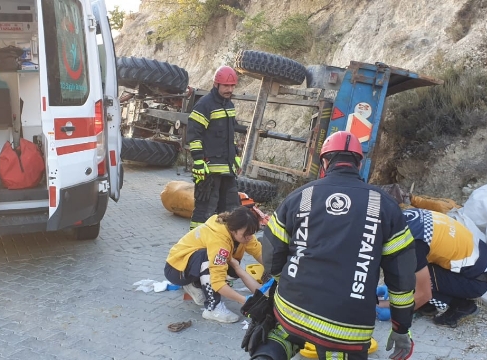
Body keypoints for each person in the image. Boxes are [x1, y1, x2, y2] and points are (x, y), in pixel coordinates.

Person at [251, 131, 417, 360]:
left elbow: (270, 252)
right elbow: (402, 279)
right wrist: (401, 327)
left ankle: (268, 354)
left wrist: (287, 282)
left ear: (325, 163)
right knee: (337, 348)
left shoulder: (300, 196)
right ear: (359, 164)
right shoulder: (386, 206)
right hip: (348, 324)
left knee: (281, 332)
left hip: (293, 306)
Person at [164, 206, 263, 323]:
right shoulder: (219, 241)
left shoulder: (243, 232)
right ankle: (212, 308)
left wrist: (278, 272)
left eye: (252, 234)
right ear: (233, 230)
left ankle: (195, 285)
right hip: (176, 270)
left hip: (189, 266)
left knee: (232, 267)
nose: (249, 238)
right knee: (209, 259)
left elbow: (259, 252)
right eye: (245, 235)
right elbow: (217, 282)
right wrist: (244, 300)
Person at [402, 208, 487, 328]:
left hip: (476, 281)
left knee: (410, 273)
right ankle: (428, 306)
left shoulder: (414, 242)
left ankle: (462, 305)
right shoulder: (408, 216)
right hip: (481, 266)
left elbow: (423, 293)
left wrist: (393, 310)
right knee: (414, 267)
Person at [187, 65, 242, 230]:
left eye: (232, 86)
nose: (229, 89)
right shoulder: (204, 105)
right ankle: (196, 244)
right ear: (216, 85)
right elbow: (194, 134)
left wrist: (235, 156)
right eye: (226, 86)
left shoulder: (229, 106)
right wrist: (198, 161)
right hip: (208, 169)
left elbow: (229, 136)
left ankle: (220, 242)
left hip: (227, 168)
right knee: (205, 210)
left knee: (230, 209)